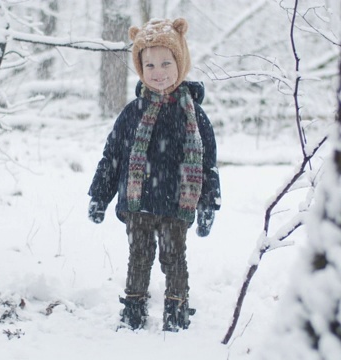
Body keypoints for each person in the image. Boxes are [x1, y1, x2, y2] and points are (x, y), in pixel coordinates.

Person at [87, 17, 221, 332]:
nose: (158, 72)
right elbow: (113, 157)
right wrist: (99, 196)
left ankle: (177, 310)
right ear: (140, 69)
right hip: (138, 204)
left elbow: (207, 164)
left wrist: (208, 205)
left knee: (174, 261)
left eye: (165, 63)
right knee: (139, 257)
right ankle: (133, 307)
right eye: (149, 66)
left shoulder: (194, 116)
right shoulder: (132, 113)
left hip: (177, 205)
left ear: (181, 63)